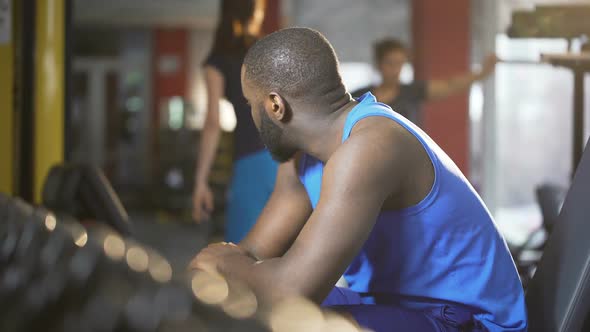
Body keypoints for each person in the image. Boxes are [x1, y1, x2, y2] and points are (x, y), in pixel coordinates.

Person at [190, 28, 527, 332]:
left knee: (293, 322)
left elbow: (288, 288)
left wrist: (224, 263)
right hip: (390, 304)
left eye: (251, 104)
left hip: (465, 319)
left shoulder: (371, 147)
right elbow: (252, 253)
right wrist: (217, 271)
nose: (251, 115)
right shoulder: (298, 157)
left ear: (275, 105)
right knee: (242, 307)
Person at [192, 0, 278, 243]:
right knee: (281, 251)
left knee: (243, 254)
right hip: (287, 158)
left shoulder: (218, 59)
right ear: (253, 12)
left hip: (252, 159)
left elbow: (212, 123)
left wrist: (201, 181)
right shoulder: (268, 51)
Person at [352, 38, 498, 125]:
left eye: (400, 64)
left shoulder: (412, 91)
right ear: (378, 64)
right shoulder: (360, 96)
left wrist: (482, 73)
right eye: (390, 63)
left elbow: (449, 85)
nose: (396, 70)